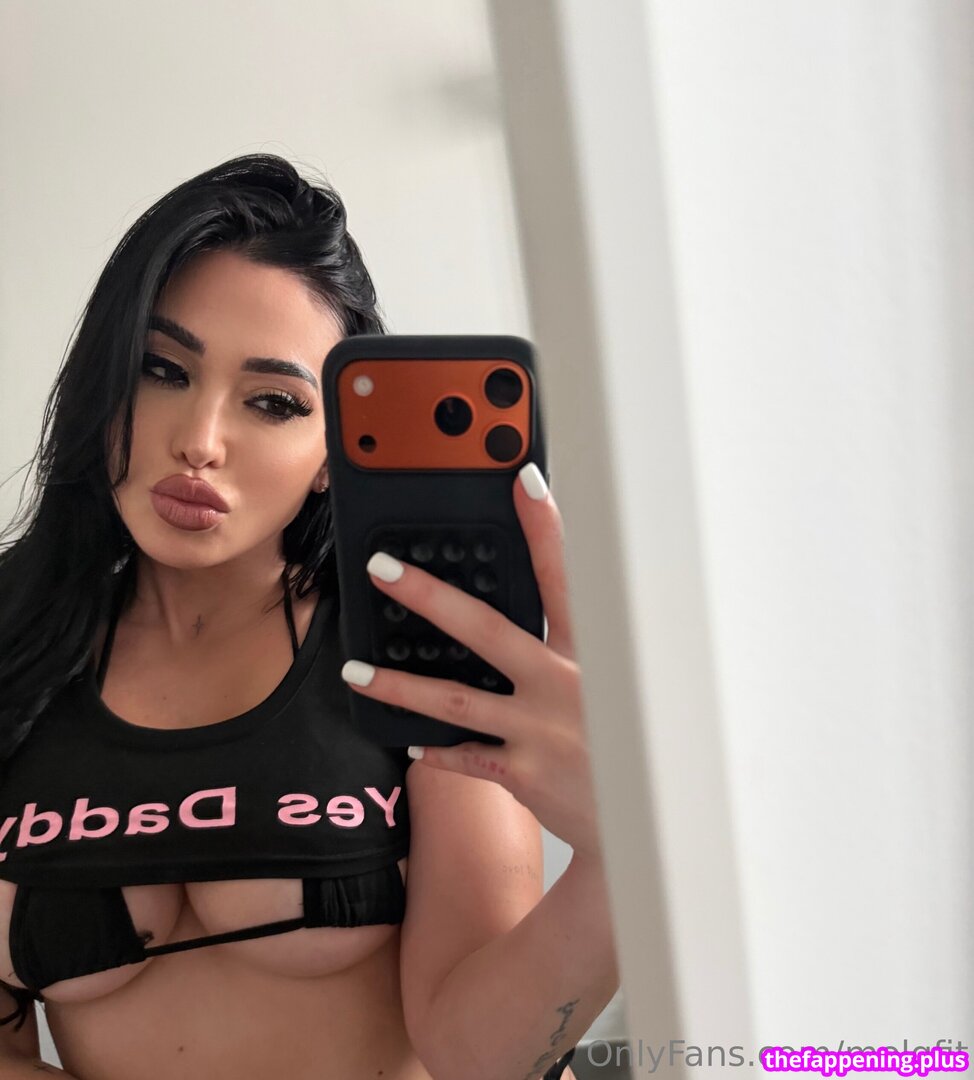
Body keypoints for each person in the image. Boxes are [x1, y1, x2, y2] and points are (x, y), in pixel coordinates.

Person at [0, 154, 619, 1079]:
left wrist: (619, 856)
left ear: (334, 455)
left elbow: (480, 1057)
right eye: (161, 369)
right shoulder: (15, 644)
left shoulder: (412, 652)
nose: (200, 441)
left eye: (273, 402)